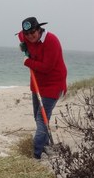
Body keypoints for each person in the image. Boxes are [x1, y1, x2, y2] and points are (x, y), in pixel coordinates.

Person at [17, 16, 67, 159]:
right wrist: (22, 45)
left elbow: (46, 67)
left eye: (33, 32)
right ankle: (45, 145)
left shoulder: (51, 41)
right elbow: (20, 36)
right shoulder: (25, 36)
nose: (30, 36)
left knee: (41, 119)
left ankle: (36, 154)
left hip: (53, 83)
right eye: (27, 34)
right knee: (38, 116)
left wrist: (27, 61)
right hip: (37, 83)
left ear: (39, 30)